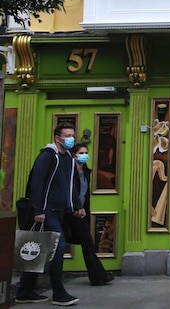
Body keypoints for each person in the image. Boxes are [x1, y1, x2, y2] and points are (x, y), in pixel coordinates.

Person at [15, 123, 84, 306]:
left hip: (61, 210)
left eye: (72, 135)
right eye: (67, 135)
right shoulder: (47, 156)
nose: (71, 139)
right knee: (58, 247)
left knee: (41, 248)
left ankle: (24, 291)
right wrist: (38, 210)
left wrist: (77, 205)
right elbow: (37, 183)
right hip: (47, 211)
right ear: (57, 138)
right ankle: (59, 293)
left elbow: (70, 184)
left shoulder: (68, 158)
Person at [68, 144, 114, 286]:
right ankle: (29, 282)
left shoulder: (86, 172)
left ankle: (98, 276)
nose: (84, 155)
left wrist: (83, 210)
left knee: (87, 243)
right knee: (57, 245)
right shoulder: (68, 172)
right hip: (66, 213)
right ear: (74, 155)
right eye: (81, 152)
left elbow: (84, 195)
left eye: (86, 152)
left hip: (80, 214)